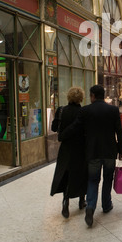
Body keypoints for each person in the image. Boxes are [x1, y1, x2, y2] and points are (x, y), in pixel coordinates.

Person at [62, 84, 122, 228]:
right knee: (108, 178)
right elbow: (119, 132)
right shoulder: (113, 110)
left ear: (92, 96)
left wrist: (62, 135)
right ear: (103, 95)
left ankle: (90, 206)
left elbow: (75, 127)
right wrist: (121, 150)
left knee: (93, 180)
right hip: (109, 152)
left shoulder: (85, 111)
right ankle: (106, 204)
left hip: (93, 153)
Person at [50, 87, 88, 218]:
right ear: (81, 98)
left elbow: (54, 128)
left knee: (66, 175)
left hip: (66, 148)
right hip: (80, 148)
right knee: (81, 174)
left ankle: (65, 202)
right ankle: (81, 201)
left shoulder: (61, 110)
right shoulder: (83, 112)